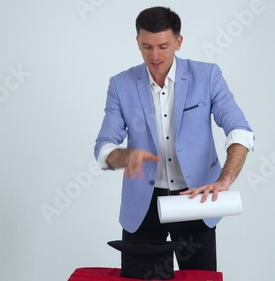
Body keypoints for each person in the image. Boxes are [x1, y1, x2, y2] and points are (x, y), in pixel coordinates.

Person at [94, 6, 254, 271]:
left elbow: (240, 130)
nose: (155, 56)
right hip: (142, 209)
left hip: (195, 201)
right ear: (137, 42)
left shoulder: (207, 76)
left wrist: (225, 179)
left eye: (163, 46)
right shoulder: (120, 85)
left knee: (200, 279)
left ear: (178, 42)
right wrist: (124, 156)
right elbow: (104, 145)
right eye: (146, 46)